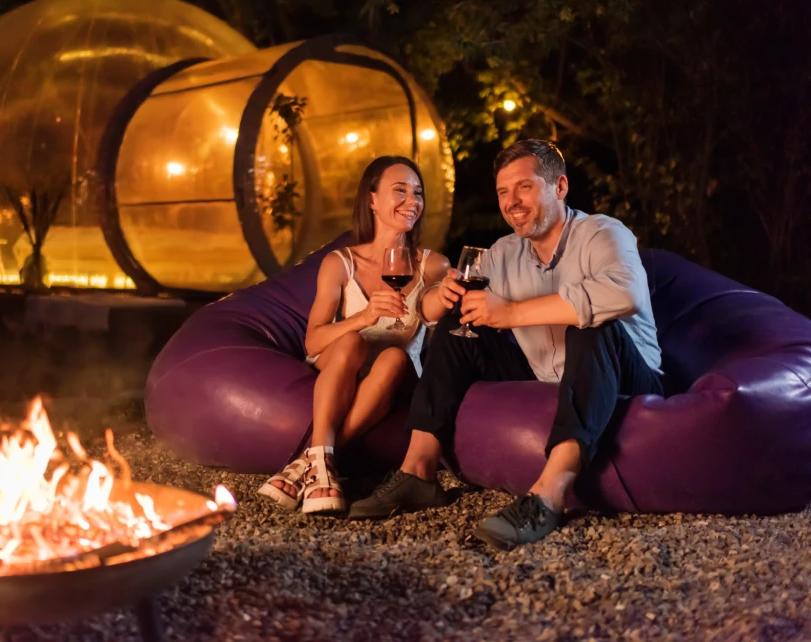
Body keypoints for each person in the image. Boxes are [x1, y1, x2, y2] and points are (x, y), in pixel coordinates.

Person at [348, 139, 663, 548]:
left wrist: (510, 312)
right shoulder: (503, 252)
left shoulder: (603, 233)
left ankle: (549, 494)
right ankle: (418, 470)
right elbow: (435, 308)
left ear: (560, 187)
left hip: (626, 376)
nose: (511, 201)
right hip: (542, 370)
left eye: (524, 187)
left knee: (592, 326)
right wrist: (440, 298)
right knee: (457, 325)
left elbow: (624, 296)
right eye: (502, 192)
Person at [258, 156, 452, 514]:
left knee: (396, 354)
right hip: (342, 362)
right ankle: (318, 466)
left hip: (393, 373)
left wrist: (455, 291)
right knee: (350, 340)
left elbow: (433, 305)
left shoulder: (432, 264)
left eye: (418, 193)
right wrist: (363, 317)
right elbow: (313, 342)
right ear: (372, 200)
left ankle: (312, 463)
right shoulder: (340, 263)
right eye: (400, 191)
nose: (413, 201)